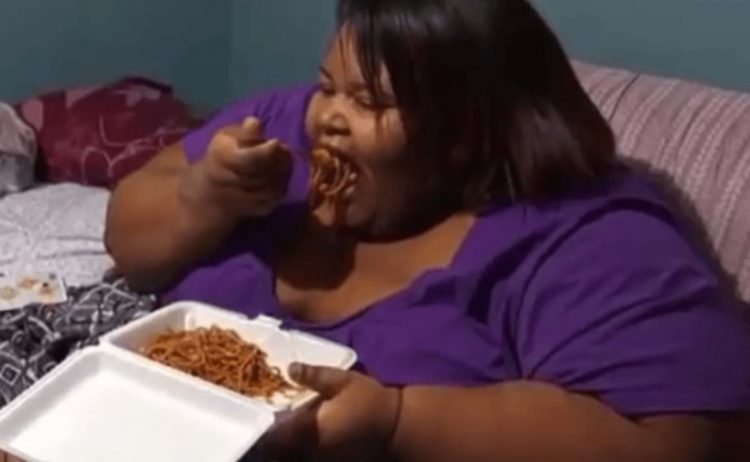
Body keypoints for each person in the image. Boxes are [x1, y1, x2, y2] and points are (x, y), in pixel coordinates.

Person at [106, 0, 750, 460]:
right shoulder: (280, 131)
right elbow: (129, 246)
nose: (325, 118)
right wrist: (204, 198)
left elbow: (681, 441)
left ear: (467, 134)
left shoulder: (583, 234)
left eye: (371, 102)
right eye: (329, 86)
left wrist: (398, 421)